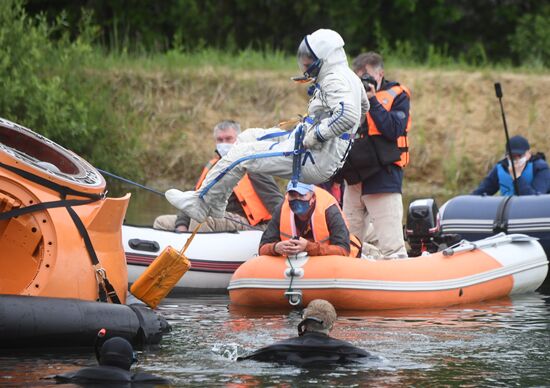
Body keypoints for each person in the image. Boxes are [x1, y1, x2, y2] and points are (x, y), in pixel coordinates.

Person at [164, 29, 369, 225]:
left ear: (325, 58)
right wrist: (337, 136)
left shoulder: (334, 79)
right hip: (314, 147)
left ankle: (200, 203)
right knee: (246, 137)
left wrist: (317, 135)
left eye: (309, 58)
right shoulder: (349, 77)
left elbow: (348, 115)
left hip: (314, 156)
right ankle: (217, 200)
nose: (305, 63)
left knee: (242, 155)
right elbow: (363, 108)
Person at [337, 52, 411, 259]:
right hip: (354, 178)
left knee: (392, 246)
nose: (363, 83)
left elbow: (392, 130)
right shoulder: (349, 99)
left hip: (383, 177)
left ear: (380, 74)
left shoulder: (398, 96)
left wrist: (372, 101)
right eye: (358, 78)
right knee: (348, 244)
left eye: (367, 77)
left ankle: (398, 282)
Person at [153, 120, 283, 232]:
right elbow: (193, 199)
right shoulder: (213, 166)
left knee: (202, 220)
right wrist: (181, 225)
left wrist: (278, 231)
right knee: (162, 222)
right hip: (219, 220)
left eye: (228, 139)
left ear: (239, 139)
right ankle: (173, 255)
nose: (224, 143)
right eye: (220, 140)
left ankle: (196, 257)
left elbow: (276, 201)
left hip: (251, 224)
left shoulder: (251, 165)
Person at [237, 299, 372, 366]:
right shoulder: (355, 353)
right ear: (332, 326)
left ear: (304, 322)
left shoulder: (273, 350)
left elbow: (242, 360)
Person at [259, 181, 361, 258]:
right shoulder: (281, 209)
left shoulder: (329, 210)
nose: (297, 199)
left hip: (330, 261)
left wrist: (308, 247)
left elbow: (343, 250)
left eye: (302, 195)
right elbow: (262, 248)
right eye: (292, 195)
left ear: (312, 197)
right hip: (296, 265)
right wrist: (275, 248)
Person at [54, 336, 170, 385]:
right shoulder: (135, 379)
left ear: (100, 358)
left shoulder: (72, 375)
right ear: (129, 361)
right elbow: (166, 382)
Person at [472, 135, 550, 196]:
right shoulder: (501, 167)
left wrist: (517, 177)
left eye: (520, 155)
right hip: (508, 213)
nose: (516, 159)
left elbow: (535, 201)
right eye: (512, 156)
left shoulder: (540, 168)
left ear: (528, 153)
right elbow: (481, 191)